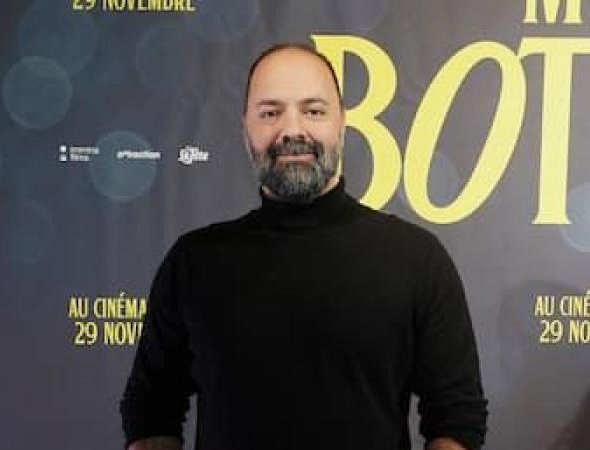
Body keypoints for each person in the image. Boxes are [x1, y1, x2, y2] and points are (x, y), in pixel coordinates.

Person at [120, 42, 488, 450]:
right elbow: (151, 408)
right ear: (246, 129)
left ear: (342, 123)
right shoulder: (193, 262)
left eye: (313, 110)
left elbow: (457, 416)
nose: (292, 130)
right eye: (270, 112)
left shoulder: (417, 260)